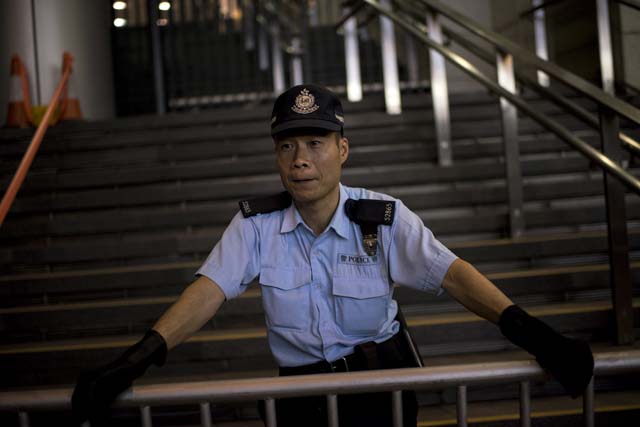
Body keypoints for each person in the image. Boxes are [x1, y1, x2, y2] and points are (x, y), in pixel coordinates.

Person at [72, 85, 594, 427]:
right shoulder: (256, 225)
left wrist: (535, 336)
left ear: (342, 149)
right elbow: (207, 292)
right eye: (286, 147)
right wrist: (134, 360)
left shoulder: (383, 216)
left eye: (316, 143)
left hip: (380, 390)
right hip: (300, 401)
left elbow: (452, 276)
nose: (300, 160)